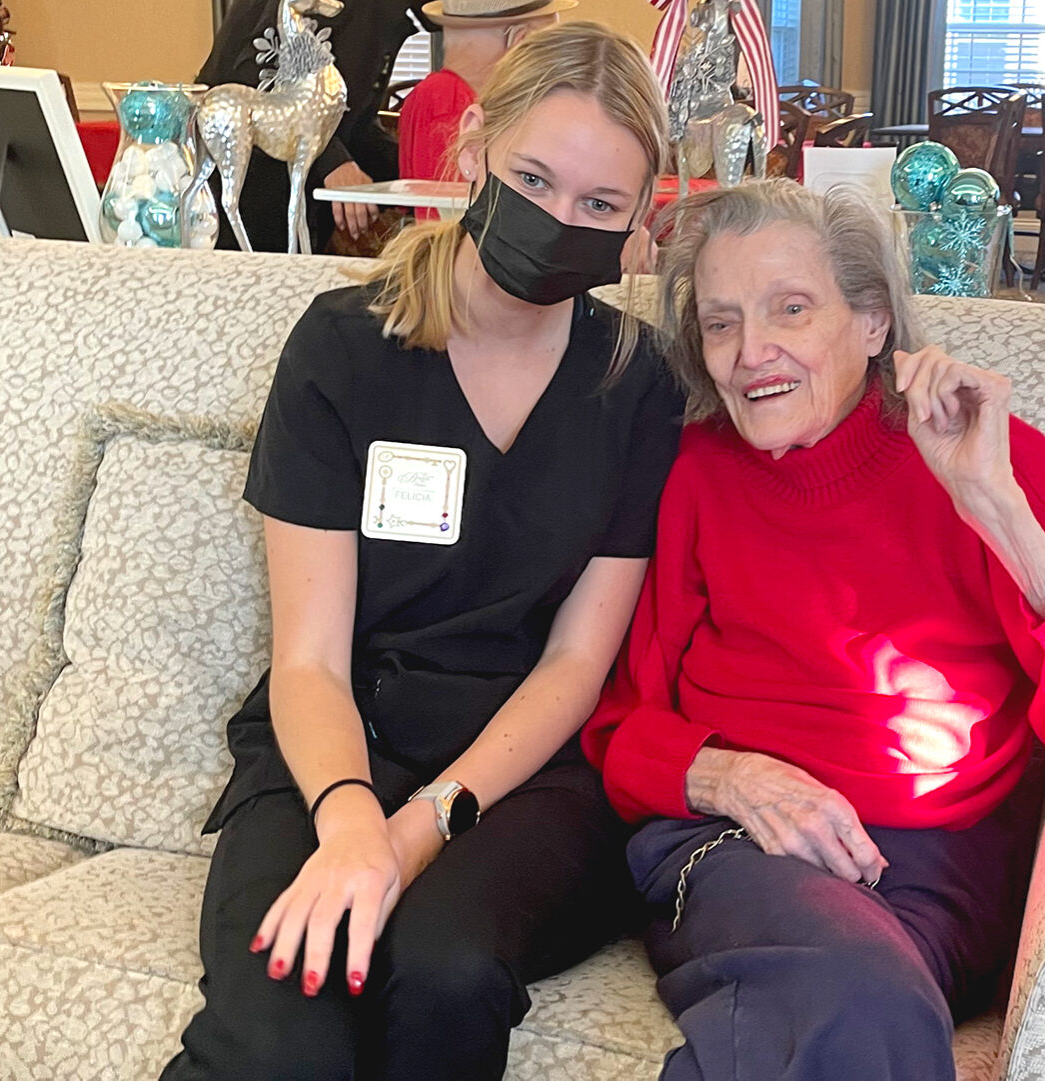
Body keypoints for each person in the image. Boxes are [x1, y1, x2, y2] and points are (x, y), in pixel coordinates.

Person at [581, 180, 1045, 1081]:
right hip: (736, 844)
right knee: (860, 1002)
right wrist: (730, 776)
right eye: (721, 323)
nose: (750, 352)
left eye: (790, 309)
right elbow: (619, 725)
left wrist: (994, 507)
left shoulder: (985, 463)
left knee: (853, 1014)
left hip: (936, 868)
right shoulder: (695, 475)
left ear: (874, 321)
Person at [162, 22, 678, 1081]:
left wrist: (414, 834)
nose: (558, 221)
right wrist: (352, 817)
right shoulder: (343, 348)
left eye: (599, 205)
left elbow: (577, 663)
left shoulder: (639, 383)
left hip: (531, 771)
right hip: (339, 734)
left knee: (444, 971)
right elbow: (309, 658)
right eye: (532, 179)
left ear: (638, 220)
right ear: (475, 147)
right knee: (281, 1029)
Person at [197, 0, 431, 251]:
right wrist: (333, 160)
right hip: (249, 192)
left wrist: (421, 172)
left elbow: (353, 123)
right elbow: (260, 82)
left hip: (297, 193)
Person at [398, 0, 574, 192]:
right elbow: (450, 203)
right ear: (520, 40)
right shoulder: (450, 101)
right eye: (549, 45)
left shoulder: (451, 95)